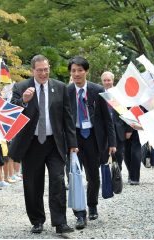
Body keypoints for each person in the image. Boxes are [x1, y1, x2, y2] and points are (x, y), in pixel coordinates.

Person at [8, 55, 78, 234]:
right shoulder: (21, 87)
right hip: (31, 144)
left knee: (58, 180)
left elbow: (67, 118)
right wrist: (23, 100)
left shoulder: (60, 87)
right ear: (32, 71)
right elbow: (11, 114)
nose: (43, 73)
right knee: (32, 184)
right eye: (39, 70)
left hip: (54, 143)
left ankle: (60, 222)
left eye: (46, 69)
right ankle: (37, 220)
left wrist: (72, 144)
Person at [67, 56, 116, 230]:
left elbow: (107, 119)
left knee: (93, 176)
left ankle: (92, 204)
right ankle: (80, 214)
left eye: (80, 70)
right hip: (74, 137)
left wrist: (112, 142)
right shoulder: (67, 91)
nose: (77, 74)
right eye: (73, 71)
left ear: (86, 71)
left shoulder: (97, 90)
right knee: (74, 176)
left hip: (93, 137)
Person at [100, 71, 132, 169]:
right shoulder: (99, 94)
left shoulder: (120, 94)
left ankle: (117, 177)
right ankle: (106, 178)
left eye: (109, 80)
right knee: (104, 153)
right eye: (104, 80)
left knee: (118, 153)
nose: (107, 82)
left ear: (112, 80)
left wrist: (129, 129)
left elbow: (127, 112)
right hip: (104, 129)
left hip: (118, 128)